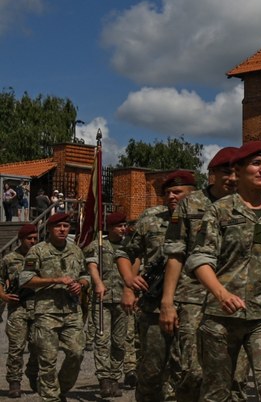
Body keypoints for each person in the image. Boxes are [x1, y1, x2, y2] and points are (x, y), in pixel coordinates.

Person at [186, 141, 261, 402]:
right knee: (217, 393)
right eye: (256, 164)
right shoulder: (220, 212)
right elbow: (201, 259)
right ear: (238, 170)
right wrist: (221, 294)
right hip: (221, 317)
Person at [161, 146, 239, 400]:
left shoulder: (246, 204)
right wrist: (167, 302)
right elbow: (176, 254)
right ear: (212, 174)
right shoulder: (190, 205)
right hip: (193, 297)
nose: (233, 178)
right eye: (226, 172)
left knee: (233, 376)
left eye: (237, 172)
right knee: (192, 371)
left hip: (234, 297)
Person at [117, 171, 196, 402]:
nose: (171, 196)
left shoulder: (204, 218)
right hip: (154, 306)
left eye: (178, 192)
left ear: (192, 194)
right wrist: (128, 284)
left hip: (191, 304)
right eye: (168, 192)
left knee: (189, 370)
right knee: (151, 370)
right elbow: (126, 252)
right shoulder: (151, 218)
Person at [20, 212, 90, 402]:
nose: (62, 230)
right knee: (47, 360)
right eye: (58, 226)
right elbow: (25, 280)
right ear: (49, 229)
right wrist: (55, 279)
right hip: (46, 312)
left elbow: (86, 274)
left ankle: (60, 389)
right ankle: (51, 398)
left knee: (77, 353)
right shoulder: (38, 251)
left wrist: (81, 284)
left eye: (66, 226)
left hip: (72, 311)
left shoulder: (75, 250)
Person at [84, 211, 130, 397]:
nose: (123, 229)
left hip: (123, 299)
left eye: (124, 225)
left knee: (119, 342)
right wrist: (98, 282)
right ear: (110, 228)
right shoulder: (98, 245)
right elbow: (91, 265)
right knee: (102, 339)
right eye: (119, 226)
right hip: (102, 299)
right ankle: (103, 379)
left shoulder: (129, 246)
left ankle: (114, 378)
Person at [1, 223, 40, 397]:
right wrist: (3, 296)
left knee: (38, 346)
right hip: (18, 307)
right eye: (29, 238)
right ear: (21, 239)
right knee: (16, 347)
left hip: (39, 307)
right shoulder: (10, 259)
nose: (33, 241)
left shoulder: (42, 256)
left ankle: (33, 373)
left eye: (35, 238)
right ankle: (14, 381)